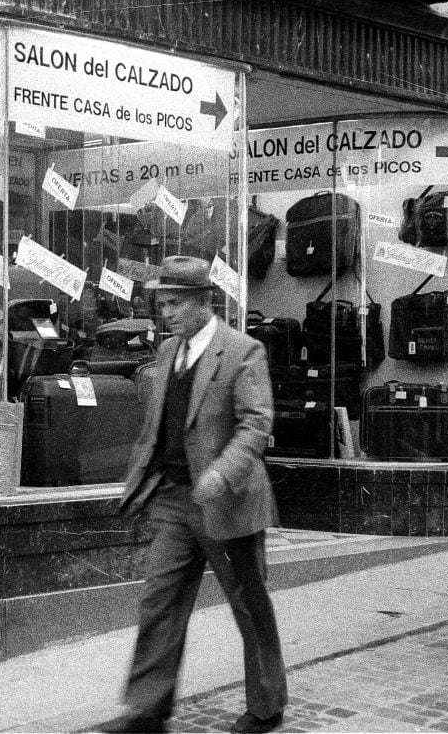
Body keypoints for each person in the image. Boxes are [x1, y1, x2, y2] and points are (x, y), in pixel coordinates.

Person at [97, 256, 287, 734]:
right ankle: (149, 708)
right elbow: (156, 429)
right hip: (174, 499)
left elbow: (256, 424)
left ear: (205, 302)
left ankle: (267, 705)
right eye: (162, 304)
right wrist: (140, 480)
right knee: (159, 600)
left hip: (228, 500)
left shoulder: (243, 351)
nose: (167, 314)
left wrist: (221, 474)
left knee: (249, 603)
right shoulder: (166, 355)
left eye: (176, 303)